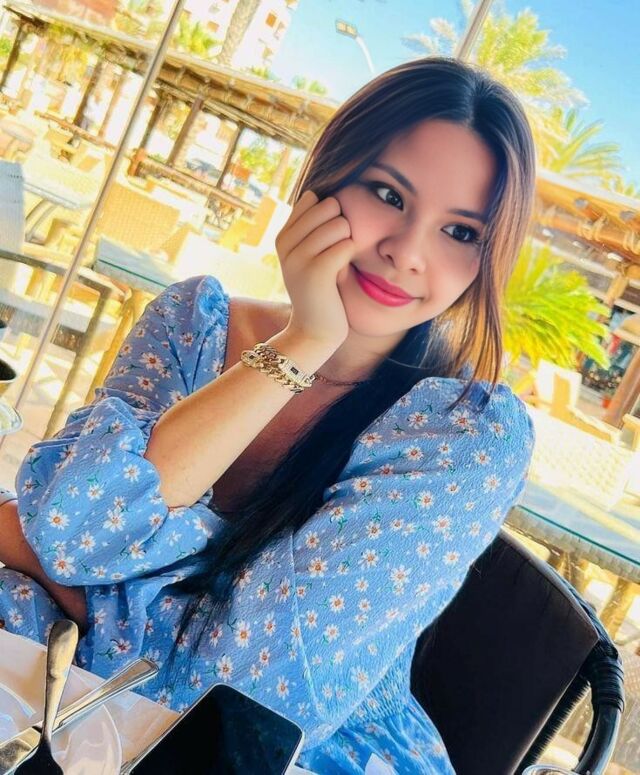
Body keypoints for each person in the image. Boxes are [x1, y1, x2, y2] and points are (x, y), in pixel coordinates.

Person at [0, 57, 536, 773]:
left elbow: (232, 695)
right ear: (326, 177)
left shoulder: (465, 437)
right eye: (388, 194)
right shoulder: (193, 322)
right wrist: (302, 344)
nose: (407, 252)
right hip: (71, 699)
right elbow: (73, 527)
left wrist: (82, 566)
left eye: (461, 232)